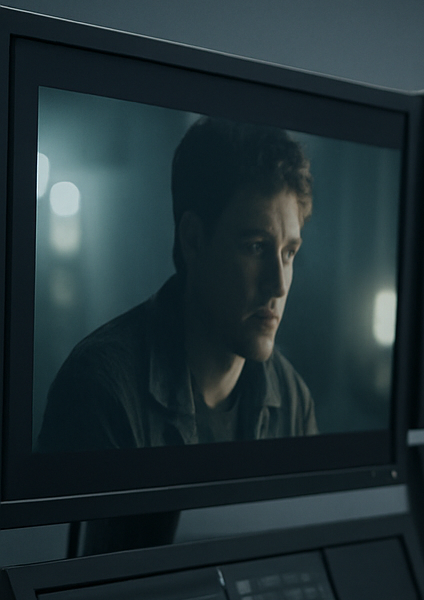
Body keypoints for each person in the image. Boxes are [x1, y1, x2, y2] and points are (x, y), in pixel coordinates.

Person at [36, 117, 317, 451]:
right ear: (193, 240)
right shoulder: (100, 391)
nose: (279, 285)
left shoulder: (292, 398)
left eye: (289, 253)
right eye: (255, 247)